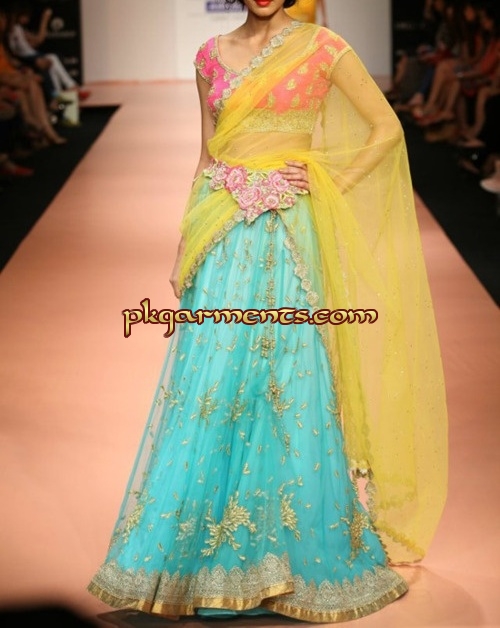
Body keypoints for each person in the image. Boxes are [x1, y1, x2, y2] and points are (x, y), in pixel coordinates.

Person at [87, 0, 448, 623]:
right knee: (213, 385)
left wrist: (327, 181)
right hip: (222, 236)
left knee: (289, 381)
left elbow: (386, 130)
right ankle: (203, 560)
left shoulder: (322, 48)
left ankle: (288, 555)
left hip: (288, 237)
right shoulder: (209, 56)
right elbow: (207, 158)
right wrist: (184, 243)